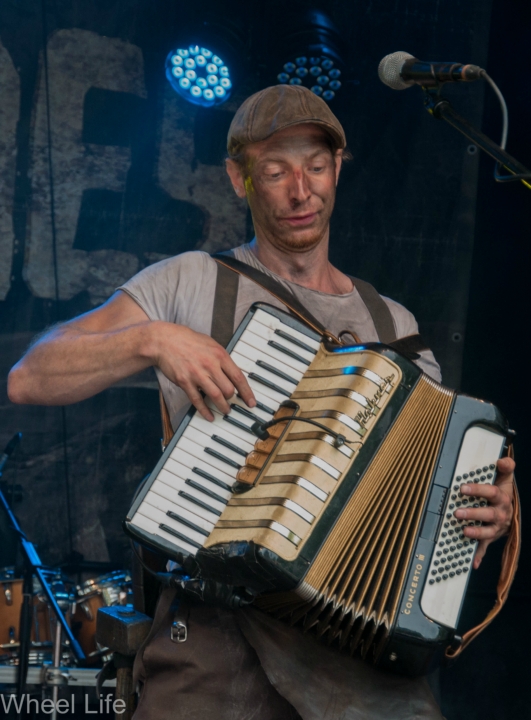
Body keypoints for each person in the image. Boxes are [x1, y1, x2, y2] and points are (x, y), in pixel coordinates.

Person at [8, 85, 515, 720]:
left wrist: (479, 515)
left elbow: (423, 512)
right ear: (239, 177)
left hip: (354, 665)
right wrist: (152, 338)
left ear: (338, 168)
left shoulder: (394, 326)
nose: (300, 192)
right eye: (275, 172)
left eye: (316, 167)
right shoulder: (189, 282)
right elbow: (31, 376)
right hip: (213, 647)